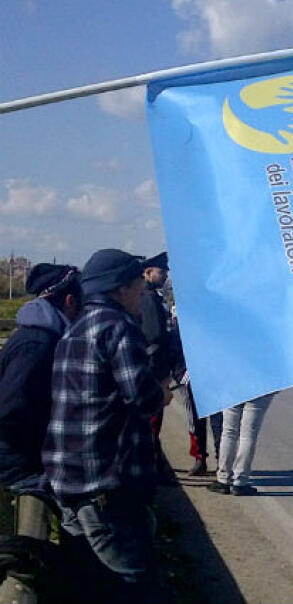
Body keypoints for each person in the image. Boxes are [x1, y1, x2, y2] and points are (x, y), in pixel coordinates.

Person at [43, 249, 173, 601]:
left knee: (87, 583)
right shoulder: (118, 328)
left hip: (69, 480)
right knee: (132, 582)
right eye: (138, 286)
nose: (143, 292)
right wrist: (161, 392)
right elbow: (142, 398)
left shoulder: (74, 329)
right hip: (106, 486)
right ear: (120, 288)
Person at [0, 264, 81, 546]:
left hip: (21, 461)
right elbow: (11, 409)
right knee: (24, 543)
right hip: (19, 467)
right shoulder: (39, 344)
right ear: (69, 301)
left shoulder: (36, 334)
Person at [140, 252, 184, 484]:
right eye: (161, 271)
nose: (165, 275)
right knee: (152, 422)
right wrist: (162, 373)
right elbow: (154, 336)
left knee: (154, 423)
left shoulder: (153, 297)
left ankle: (154, 466)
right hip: (154, 369)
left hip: (155, 367)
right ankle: (153, 468)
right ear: (148, 272)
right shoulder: (148, 299)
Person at [207, 393, 274, 496]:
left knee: (228, 433)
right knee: (248, 435)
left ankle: (223, 479)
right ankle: (240, 481)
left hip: (232, 388)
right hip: (260, 390)